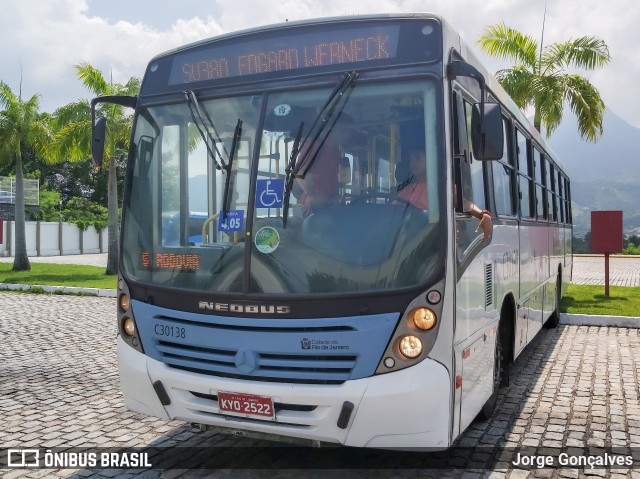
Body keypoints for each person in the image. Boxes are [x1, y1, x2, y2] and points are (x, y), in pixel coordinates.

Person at [396, 149, 493, 242]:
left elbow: (462, 203)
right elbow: (393, 210)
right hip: (407, 240)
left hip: (432, 240)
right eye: (411, 160)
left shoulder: (442, 187)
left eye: (417, 158)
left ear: (429, 160)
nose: (413, 163)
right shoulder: (405, 190)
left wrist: (482, 215)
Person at [296, 142, 340, 217]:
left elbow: (334, 176)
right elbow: (299, 171)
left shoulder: (336, 150)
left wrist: (336, 195)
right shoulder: (314, 144)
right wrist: (309, 193)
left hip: (330, 203)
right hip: (313, 203)